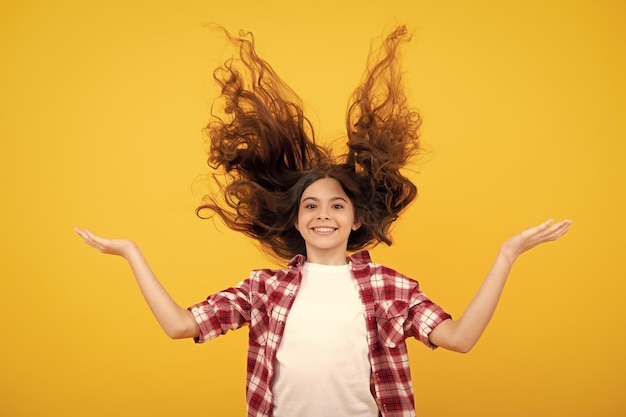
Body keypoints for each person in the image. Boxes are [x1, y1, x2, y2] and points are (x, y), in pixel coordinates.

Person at [75, 26, 572, 417]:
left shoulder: (387, 288)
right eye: (310, 205)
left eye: (337, 205)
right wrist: (131, 254)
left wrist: (507, 255)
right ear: (295, 218)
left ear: (357, 220)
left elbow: (459, 339)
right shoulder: (264, 289)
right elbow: (181, 326)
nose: (323, 215)